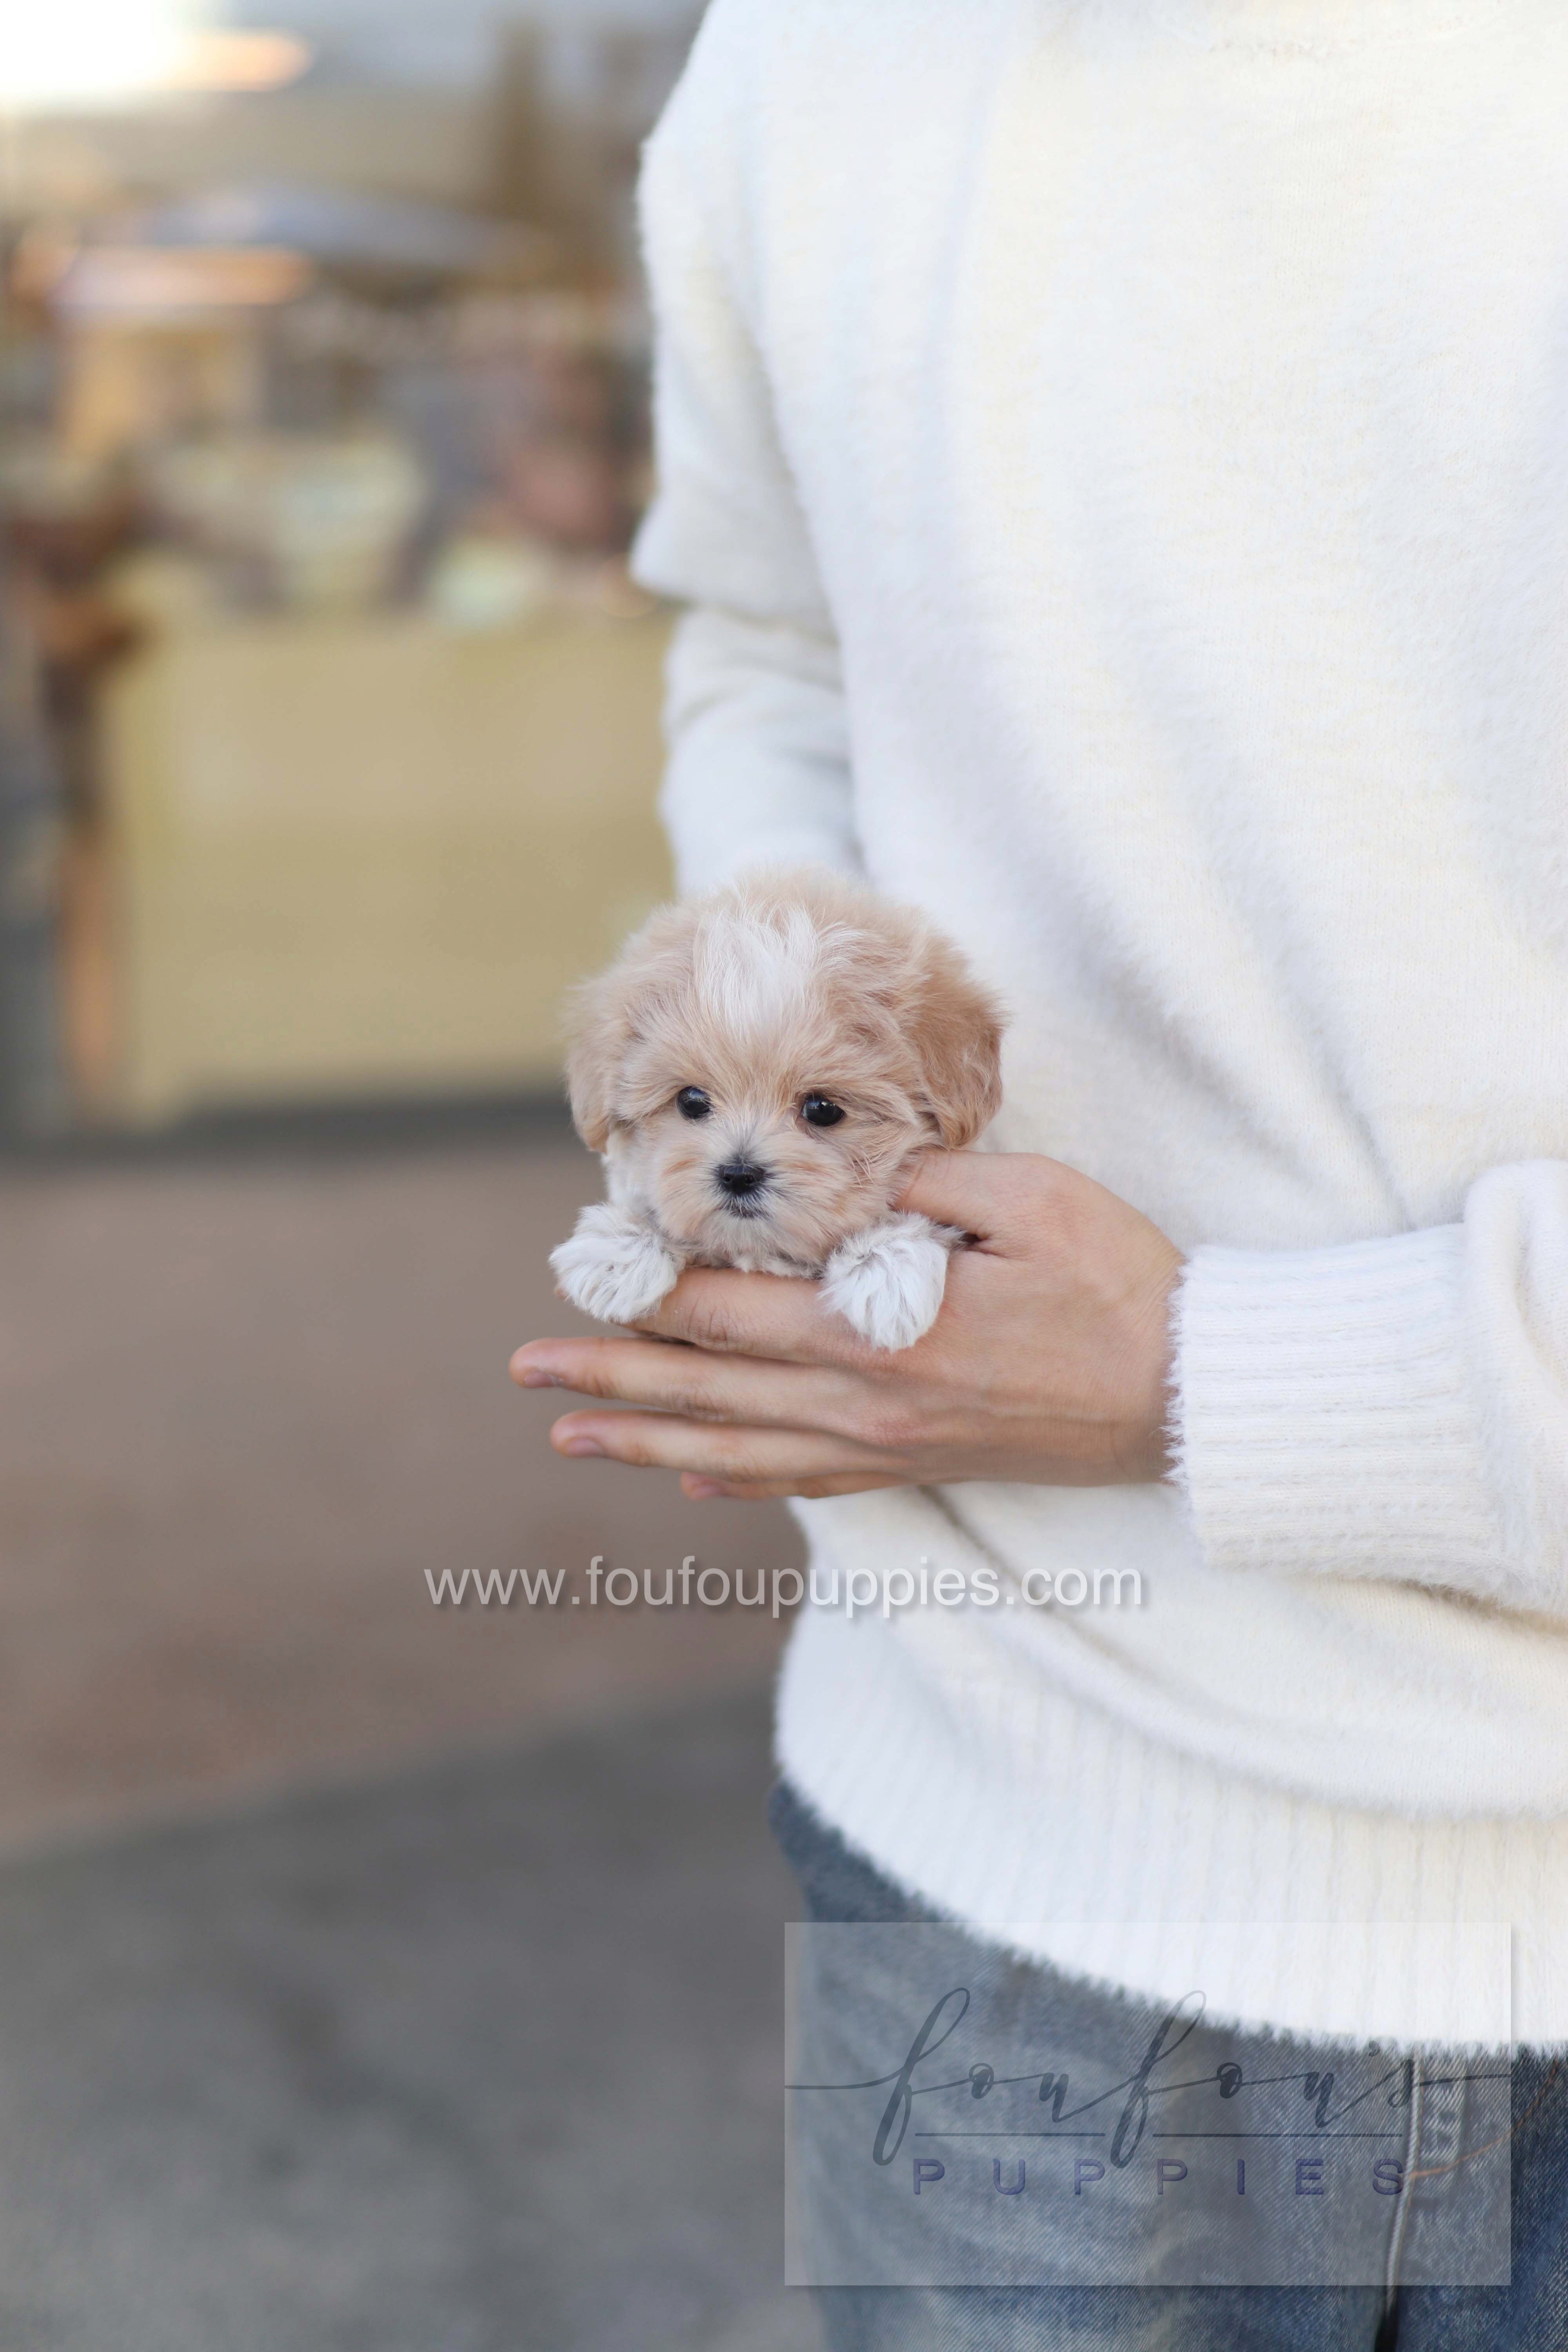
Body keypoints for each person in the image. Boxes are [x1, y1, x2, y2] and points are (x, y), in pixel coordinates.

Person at [512, 2, 1568, 2340]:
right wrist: (748, 1078)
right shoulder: (796, 64)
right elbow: (773, 644)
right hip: (985, 1850)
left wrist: (1218, 1372)